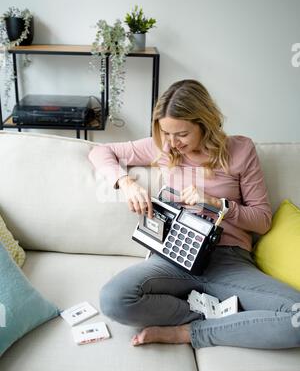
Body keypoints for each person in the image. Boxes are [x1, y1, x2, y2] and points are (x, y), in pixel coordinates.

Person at [89, 79, 300, 350]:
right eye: (166, 133)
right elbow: (100, 151)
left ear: (205, 124)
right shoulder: (163, 147)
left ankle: (189, 332)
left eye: (182, 134)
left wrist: (216, 204)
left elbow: (262, 220)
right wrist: (126, 183)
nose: (172, 143)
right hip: (174, 257)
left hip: (228, 261)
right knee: (114, 299)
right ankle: (219, 315)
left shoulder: (241, 150)